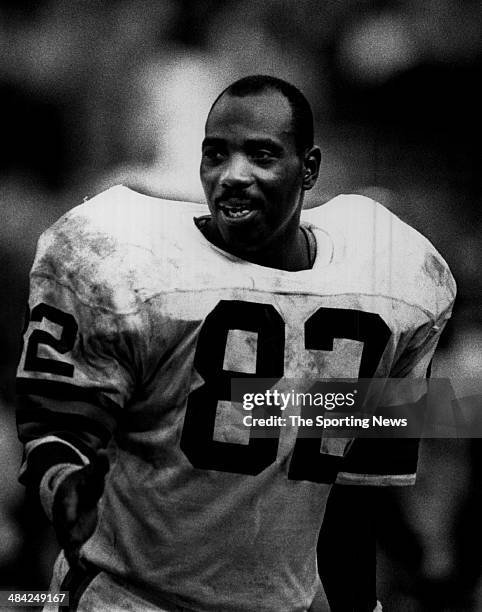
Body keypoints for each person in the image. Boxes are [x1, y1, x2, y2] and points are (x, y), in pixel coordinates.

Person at [16, 75, 456, 611]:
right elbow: (57, 434)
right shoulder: (131, 270)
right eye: (216, 154)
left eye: (262, 155)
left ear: (309, 169)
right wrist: (66, 488)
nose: (233, 175)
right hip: (131, 597)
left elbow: (352, 492)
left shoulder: (389, 284)